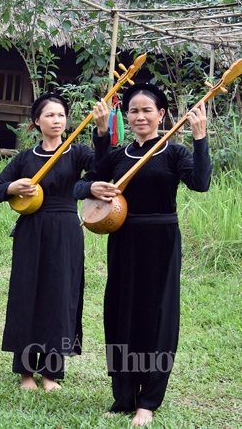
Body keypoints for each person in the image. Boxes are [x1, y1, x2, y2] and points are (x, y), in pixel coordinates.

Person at [73, 83, 210, 427]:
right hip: (123, 238)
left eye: (147, 110)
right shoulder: (119, 156)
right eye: (133, 110)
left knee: (156, 318)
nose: (140, 116)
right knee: (120, 314)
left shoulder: (174, 153)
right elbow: (81, 184)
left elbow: (201, 182)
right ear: (127, 116)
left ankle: (148, 401)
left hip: (161, 241)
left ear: (161, 114)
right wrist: (92, 187)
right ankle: (123, 397)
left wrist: (200, 136)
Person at [0, 93, 111, 392]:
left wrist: (103, 132)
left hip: (66, 230)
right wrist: (11, 187)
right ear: (36, 122)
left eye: (61, 115)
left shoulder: (76, 152)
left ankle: (51, 373)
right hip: (31, 230)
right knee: (27, 294)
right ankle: (26, 372)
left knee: (60, 297)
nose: (57, 120)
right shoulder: (25, 158)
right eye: (50, 115)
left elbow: (104, 168)